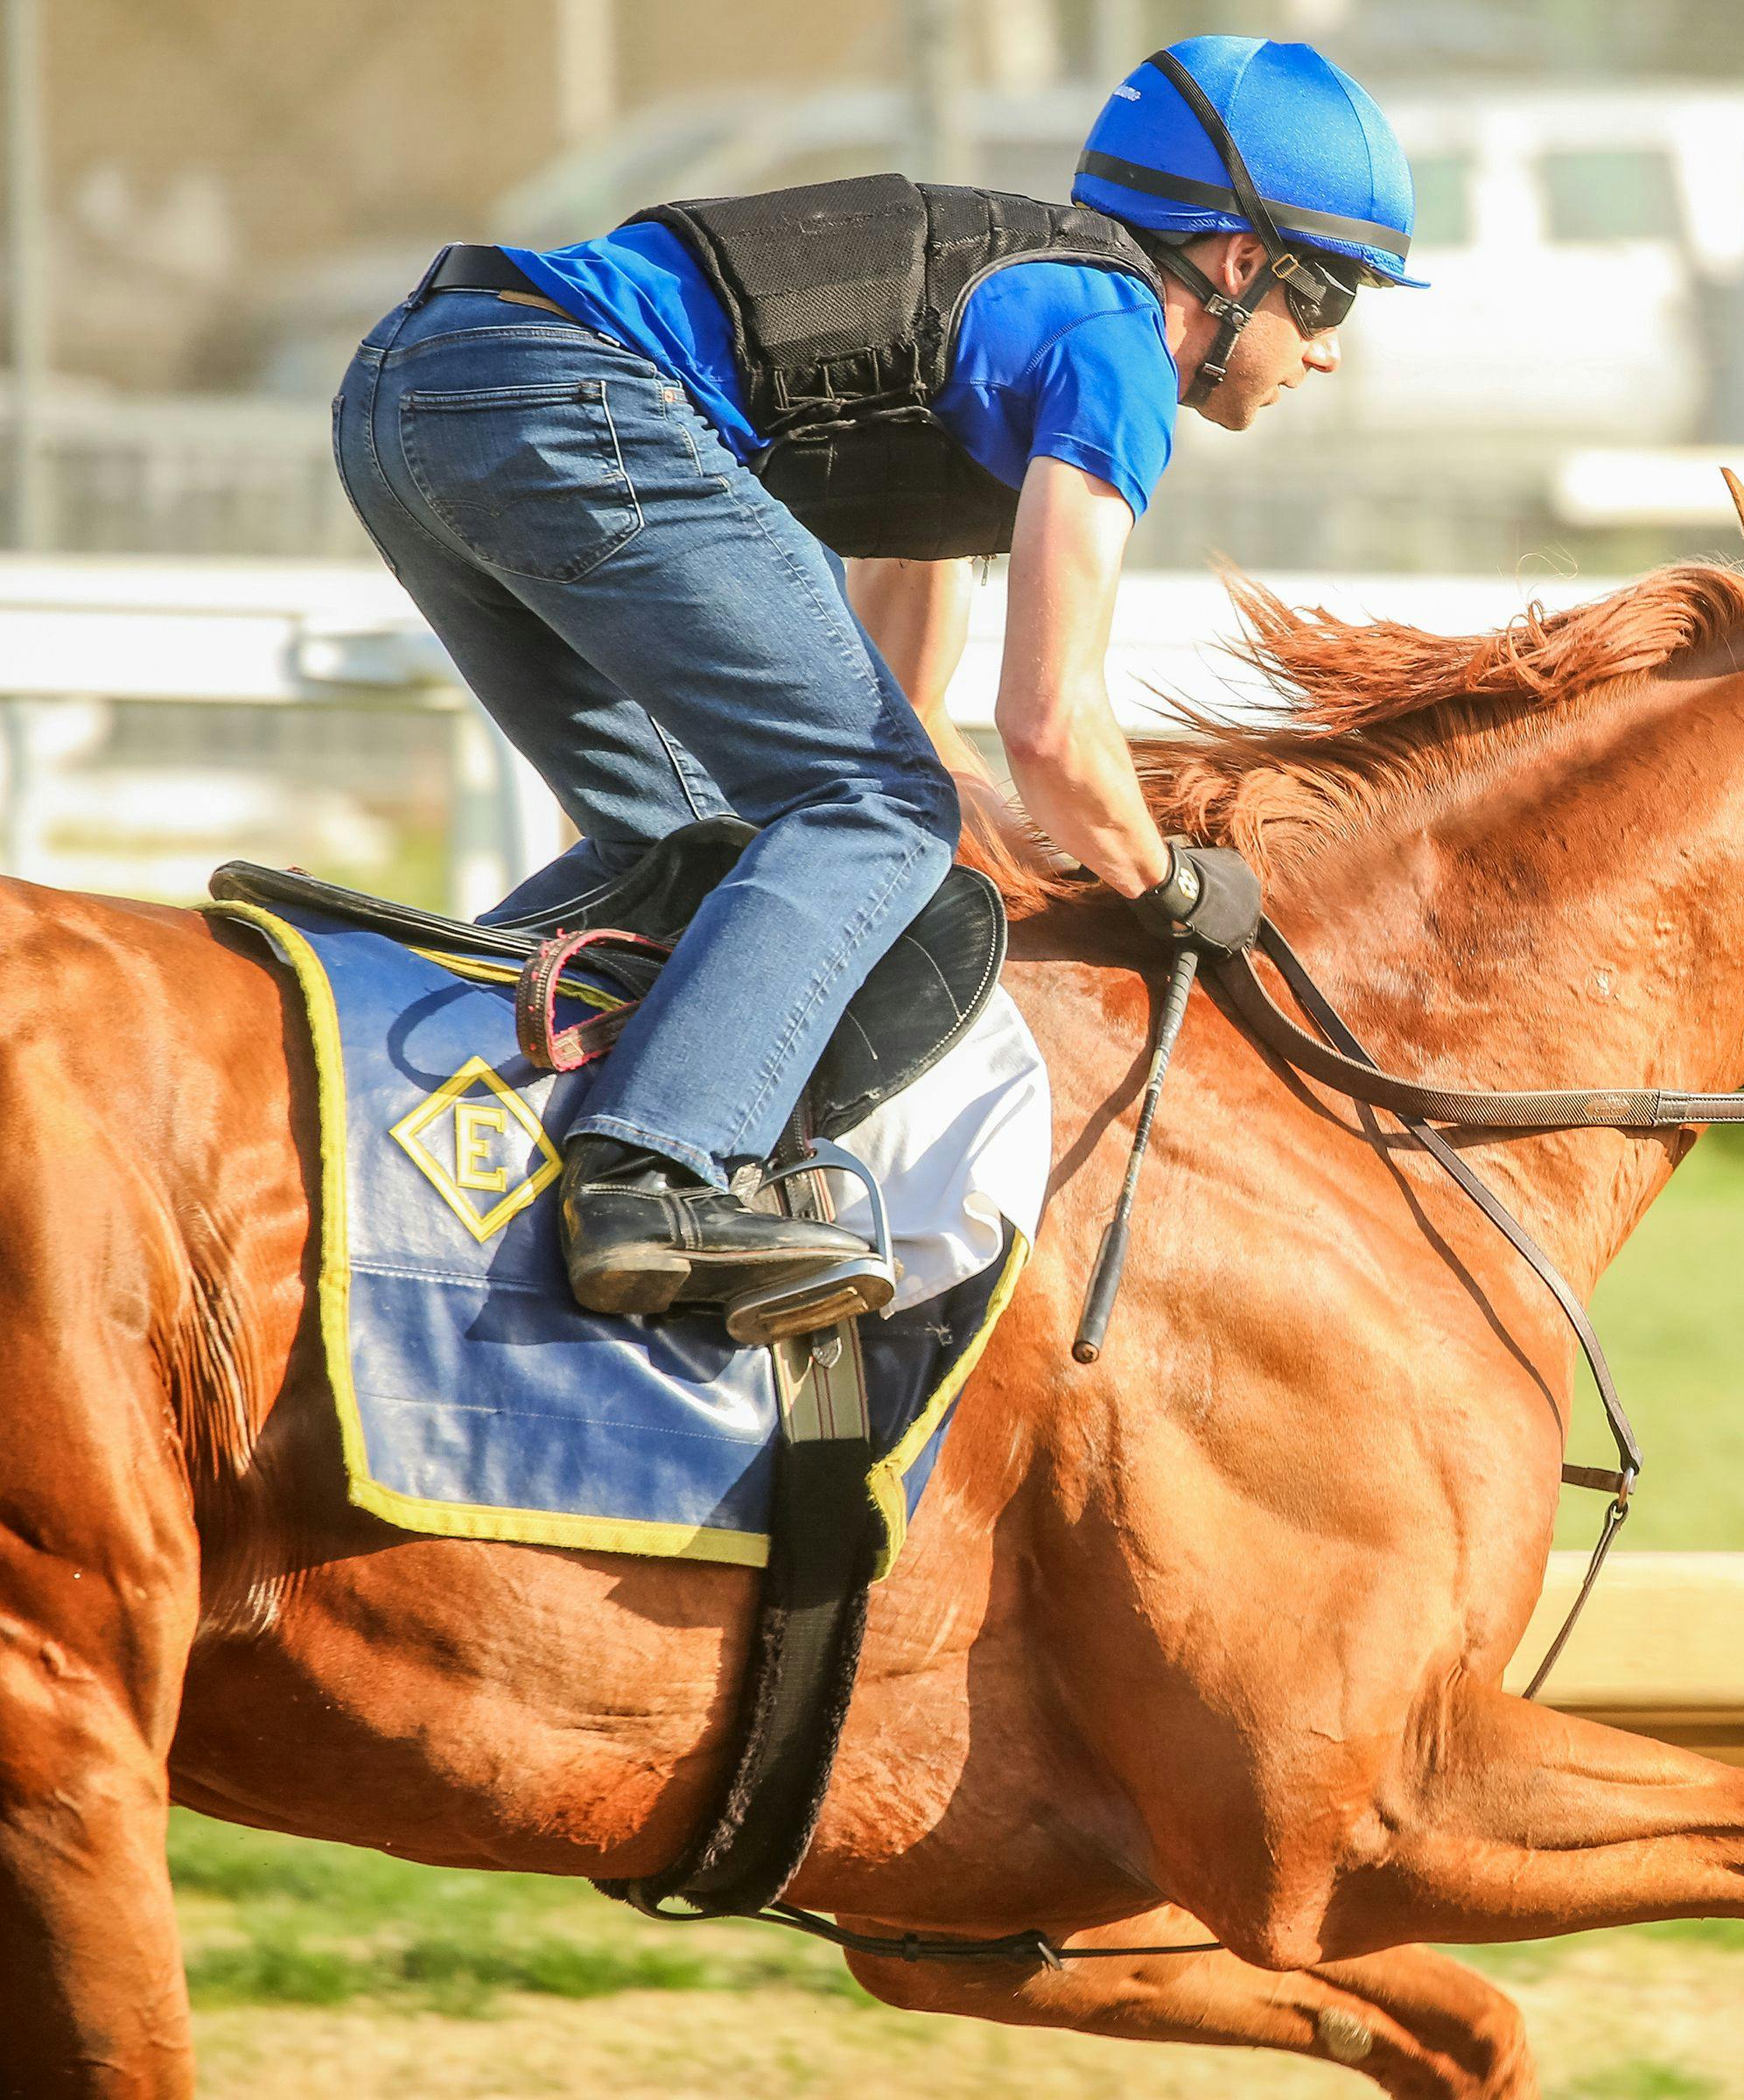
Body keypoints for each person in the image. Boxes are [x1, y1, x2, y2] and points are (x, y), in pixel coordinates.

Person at [330, 37, 1418, 1326]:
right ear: (1243, 264)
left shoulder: (1017, 306)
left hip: (412, 389)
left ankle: (366, 1091)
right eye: (1334, 297)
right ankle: (654, 1173)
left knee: (717, 848)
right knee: (869, 811)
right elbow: (1050, 725)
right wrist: (1172, 887)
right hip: (557, 399)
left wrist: (958, 829)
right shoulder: (1117, 350)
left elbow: (895, 695)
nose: (1332, 353)